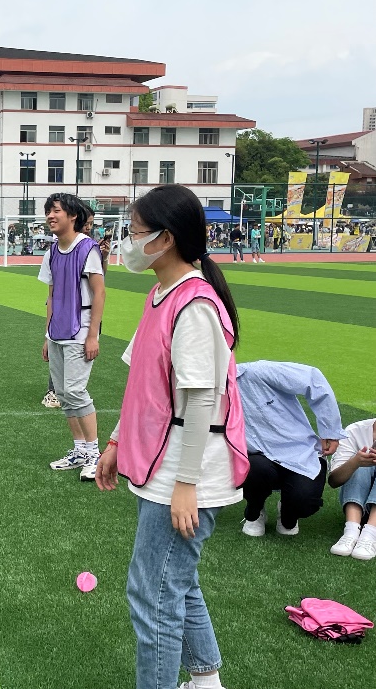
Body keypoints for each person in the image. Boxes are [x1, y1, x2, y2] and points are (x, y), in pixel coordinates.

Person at [95, 183, 249, 689]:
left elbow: (202, 400)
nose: (126, 241)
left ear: (164, 239)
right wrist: (116, 442)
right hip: (165, 459)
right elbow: (146, 387)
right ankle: (206, 682)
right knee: (175, 583)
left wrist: (186, 485)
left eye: (134, 231)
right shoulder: (162, 295)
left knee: (153, 595)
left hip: (187, 467)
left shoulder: (195, 305)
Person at [237, 361, 346, 537]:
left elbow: (312, 379)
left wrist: (330, 431)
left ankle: (288, 512)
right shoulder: (210, 392)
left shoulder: (257, 371)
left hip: (301, 453)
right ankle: (254, 511)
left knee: (301, 505)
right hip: (258, 457)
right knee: (254, 469)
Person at [39, 193, 105, 482]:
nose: (50, 216)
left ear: (72, 216)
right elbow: (51, 296)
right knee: (64, 394)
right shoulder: (52, 251)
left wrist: (93, 336)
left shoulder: (88, 249)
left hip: (81, 332)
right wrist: (47, 334)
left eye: (56, 211)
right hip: (57, 332)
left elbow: (99, 293)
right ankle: (79, 450)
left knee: (76, 392)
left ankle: (94, 453)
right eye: (48, 211)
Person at [328, 417, 376, 560]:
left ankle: (370, 534)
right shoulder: (355, 431)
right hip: (358, 502)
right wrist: (355, 462)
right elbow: (334, 481)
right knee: (360, 460)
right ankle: (351, 531)